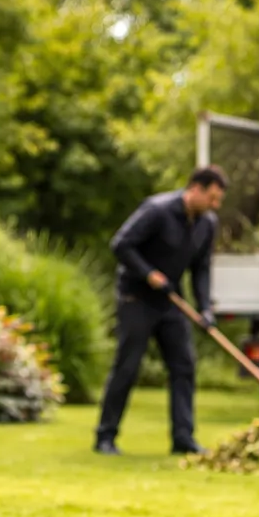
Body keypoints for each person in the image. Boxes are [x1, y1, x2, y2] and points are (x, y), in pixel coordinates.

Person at [94, 165, 228, 455]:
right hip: (136, 298)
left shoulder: (207, 224)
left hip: (170, 302)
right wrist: (149, 274)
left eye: (218, 201)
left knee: (184, 367)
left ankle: (183, 438)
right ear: (195, 188)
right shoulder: (157, 210)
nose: (215, 206)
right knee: (127, 366)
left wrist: (205, 308)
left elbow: (201, 269)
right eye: (212, 198)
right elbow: (121, 245)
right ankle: (105, 437)